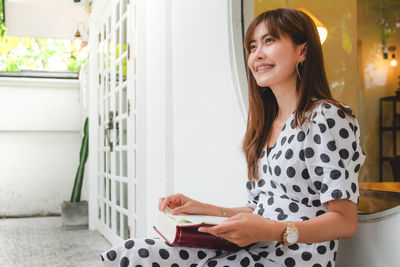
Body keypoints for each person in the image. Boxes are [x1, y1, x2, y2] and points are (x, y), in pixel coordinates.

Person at [101, 8, 365, 267]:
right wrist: (204, 208)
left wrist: (273, 231)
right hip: (256, 246)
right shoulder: (265, 125)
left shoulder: (326, 116)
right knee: (135, 252)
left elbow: (344, 220)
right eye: (252, 47)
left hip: (293, 257)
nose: (257, 54)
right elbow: (260, 209)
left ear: (303, 51)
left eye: (269, 41)